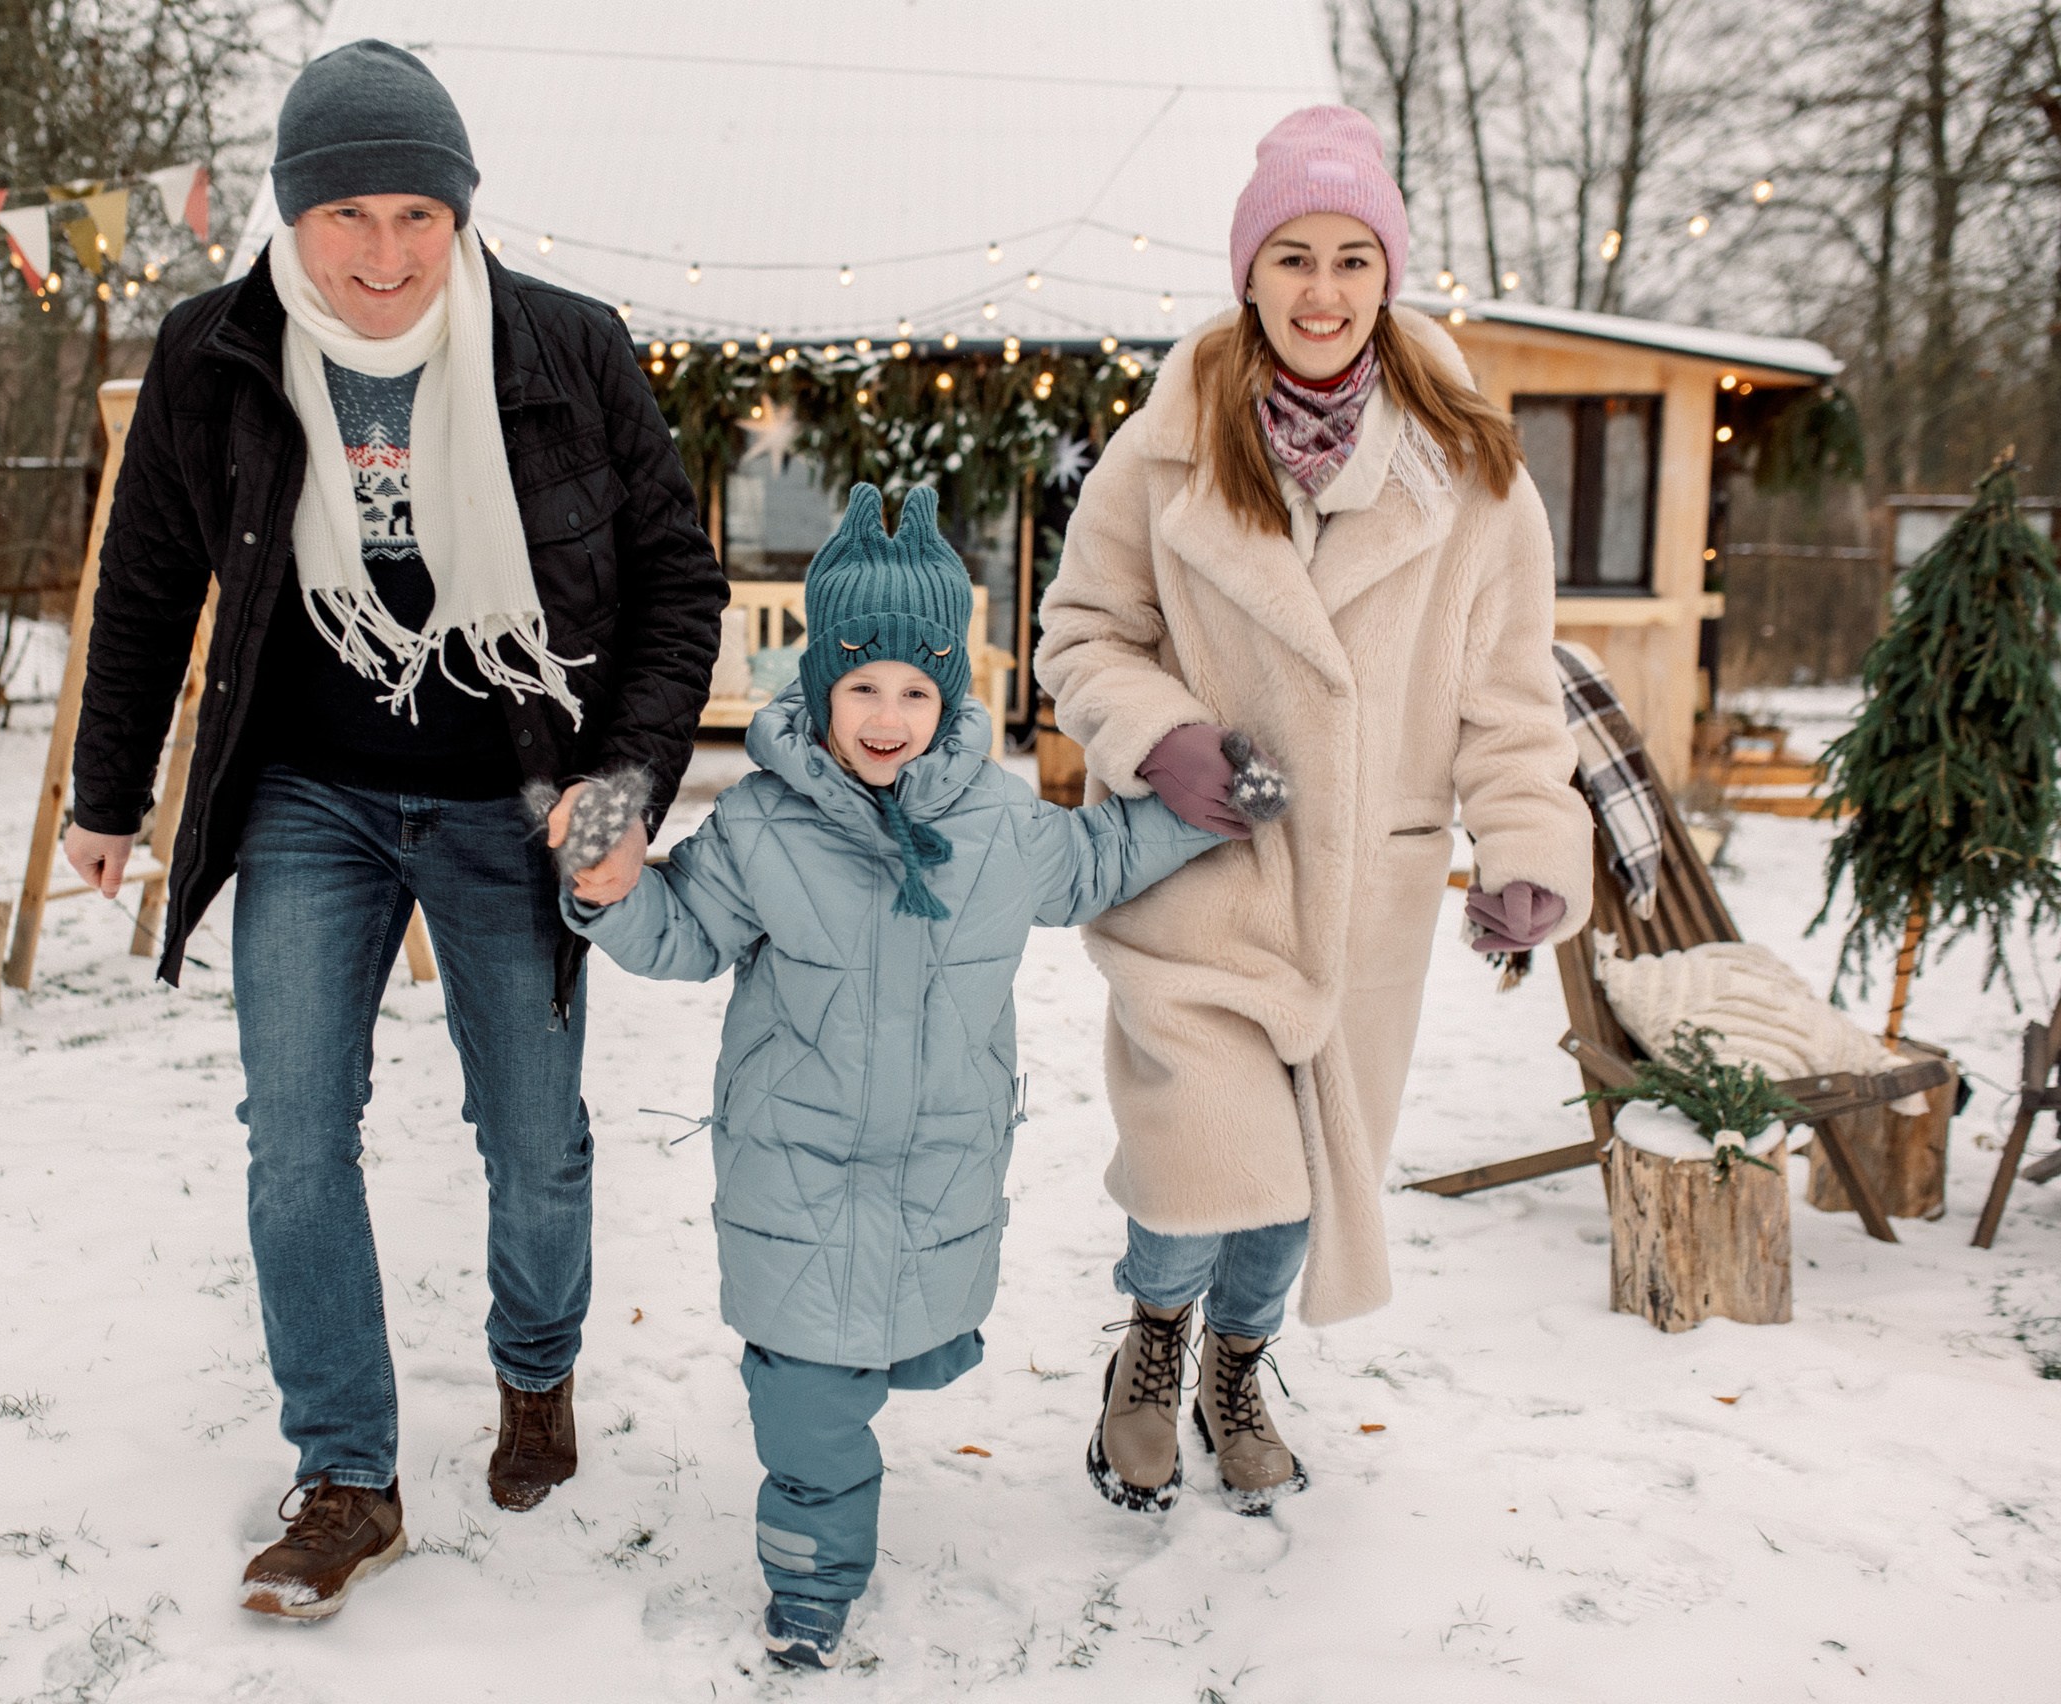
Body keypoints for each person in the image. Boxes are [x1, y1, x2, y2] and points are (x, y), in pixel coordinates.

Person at [61, 40, 726, 1620]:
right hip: (310, 794)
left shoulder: (569, 348)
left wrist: (619, 784)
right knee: (295, 1136)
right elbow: (150, 586)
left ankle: (535, 1368)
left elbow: (672, 588)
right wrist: (106, 792)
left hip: (518, 791)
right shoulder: (214, 354)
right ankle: (348, 1474)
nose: (380, 253)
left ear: (461, 213)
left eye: (415, 214)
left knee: (536, 1139)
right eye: (345, 214)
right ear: (294, 215)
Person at [565, 483, 1238, 1669]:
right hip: (793, 1173)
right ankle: (814, 1588)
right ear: (819, 686)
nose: (886, 714)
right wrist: (607, 894)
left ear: (951, 691)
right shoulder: (763, 828)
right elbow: (682, 937)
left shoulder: (995, 824)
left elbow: (1102, 858)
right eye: (860, 686)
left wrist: (1213, 803)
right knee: (805, 1398)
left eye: (915, 689)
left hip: (938, 1170)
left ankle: (857, 1421)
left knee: (887, 1347)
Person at [1036, 105, 1593, 1518]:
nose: (1324, 291)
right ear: (1249, 271)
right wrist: (1160, 739)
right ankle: (1152, 1347)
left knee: (1297, 1188)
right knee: (1196, 1164)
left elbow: (1513, 697)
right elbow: (1083, 632)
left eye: (1353, 257)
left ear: (1388, 274)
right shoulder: (1163, 451)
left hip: (1366, 900)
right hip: (1200, 877)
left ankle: (1239, 1361)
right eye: (1293, 256)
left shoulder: (1471, 474)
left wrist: (1525, 845)